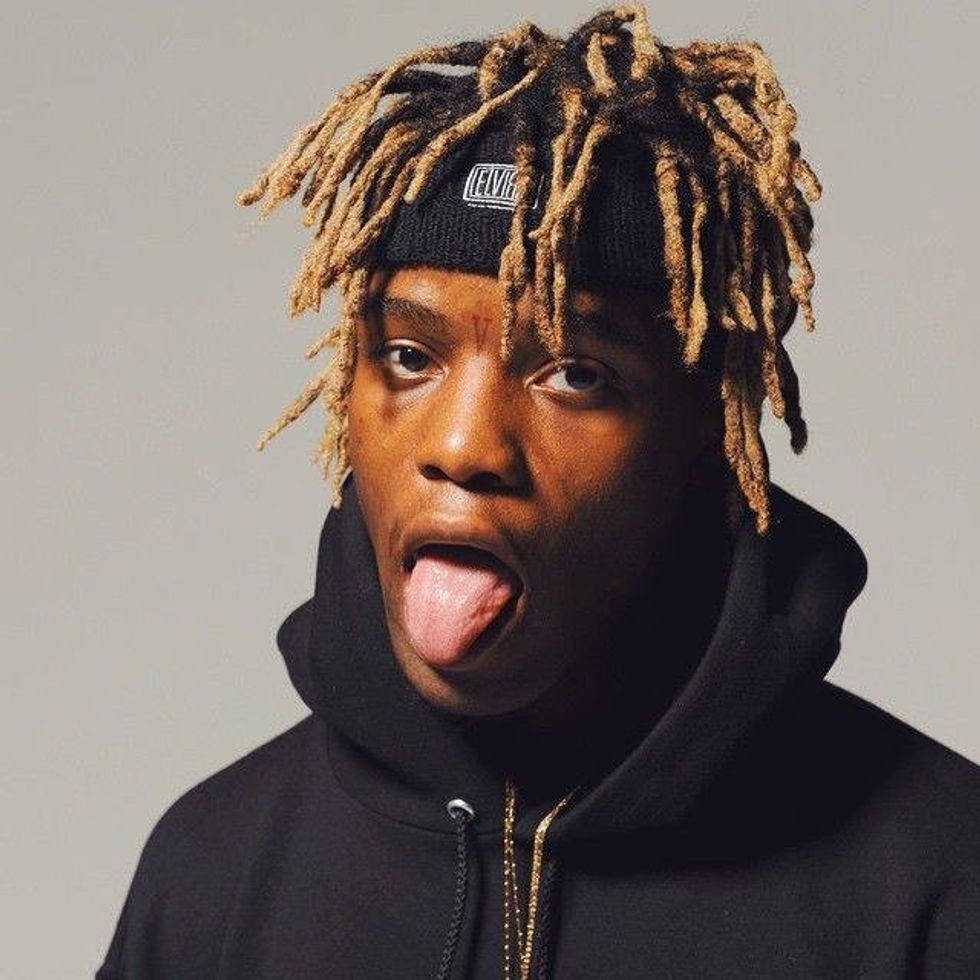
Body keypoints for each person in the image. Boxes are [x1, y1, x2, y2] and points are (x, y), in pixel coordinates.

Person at [94, 5, 980, 978]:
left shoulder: (938, 877)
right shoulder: (212, 872)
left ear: (705, 431)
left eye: (575, 373)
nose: (464, 445)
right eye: (408, 356)